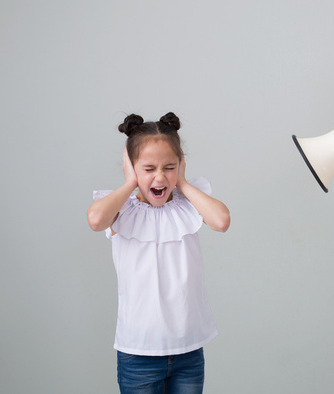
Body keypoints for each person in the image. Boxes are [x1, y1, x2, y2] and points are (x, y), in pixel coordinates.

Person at [87, 112, 230, 393]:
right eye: (149, 168)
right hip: (138, 354)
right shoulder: (122, 210)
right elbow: (95, 220)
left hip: (188, 350)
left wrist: (184, 183)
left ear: (181, 165)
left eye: (169, 167)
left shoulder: (187, 204)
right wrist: (129, 183)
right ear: (131, 168)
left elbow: (222, 221)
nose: (160, 177)